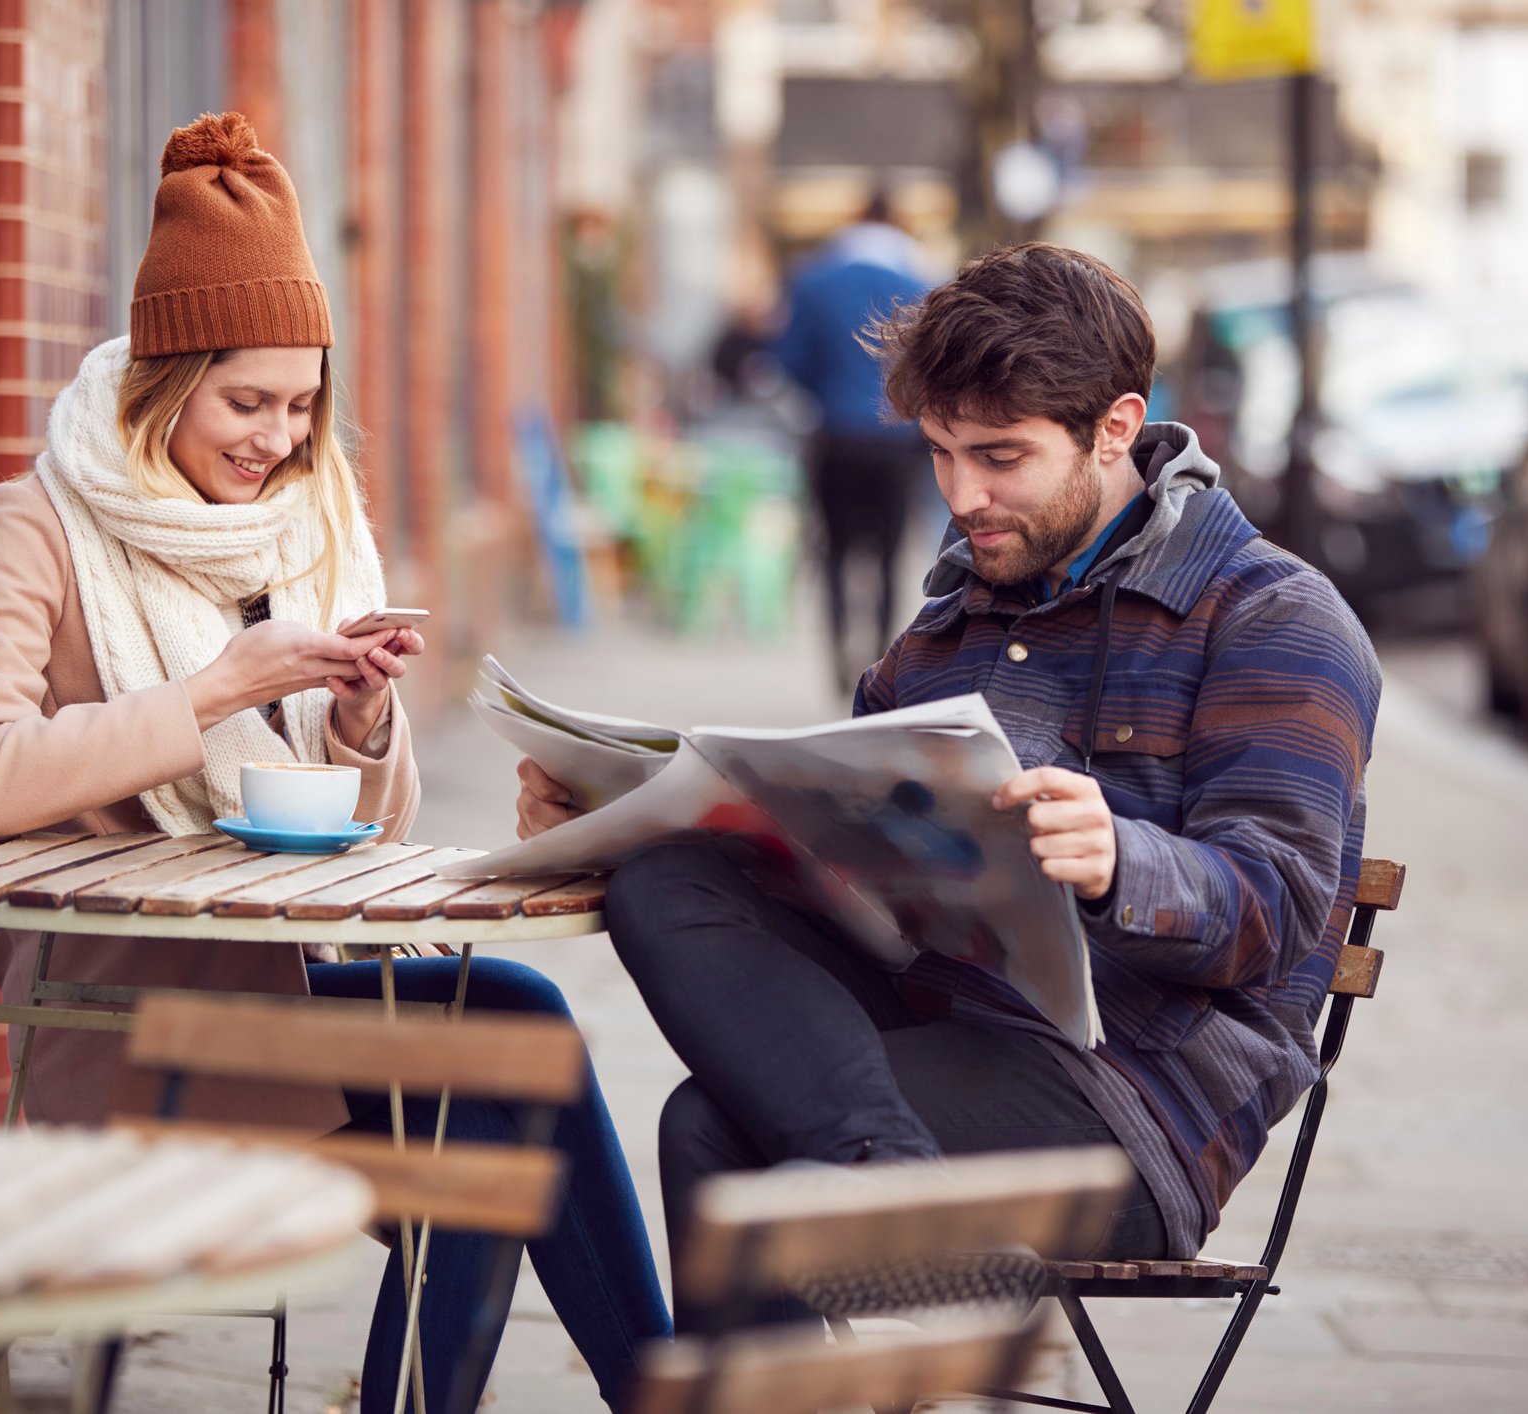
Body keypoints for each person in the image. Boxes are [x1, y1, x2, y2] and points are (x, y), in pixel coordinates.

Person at [0, 113, 668, 1411]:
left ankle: (665, 1395)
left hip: (289, 978)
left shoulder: (298, 528)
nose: (279, 437)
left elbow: (362, 825)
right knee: (484, 1130)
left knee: (529, 1030)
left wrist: (362, 723)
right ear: (165, 379)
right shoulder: (34, 524)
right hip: (130, 1011)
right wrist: (214, 689)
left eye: (302, 403)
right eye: (246, 401)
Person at [515, 243, 1381, 1320]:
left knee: (712, 1134)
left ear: (1116, 426)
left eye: (1001, 456)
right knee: (669, 873)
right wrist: (623, 813)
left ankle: (864, 1188)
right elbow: (843, 846)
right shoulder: (956, 615)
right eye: (939, 452)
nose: (963, 494)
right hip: (943, 1021)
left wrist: (1124, 860)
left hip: (1135, 1097)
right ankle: (882, 1174)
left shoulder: (1273, 618)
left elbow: (1287, 912)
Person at [771, 191, 935, 692]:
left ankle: (840, 656)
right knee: (890, 553)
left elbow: (787, 361)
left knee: (836, 549)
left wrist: (825, 393)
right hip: (896, 441)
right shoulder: (921, 281)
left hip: (835, 435)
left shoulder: (814, 280)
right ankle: (883, 660)